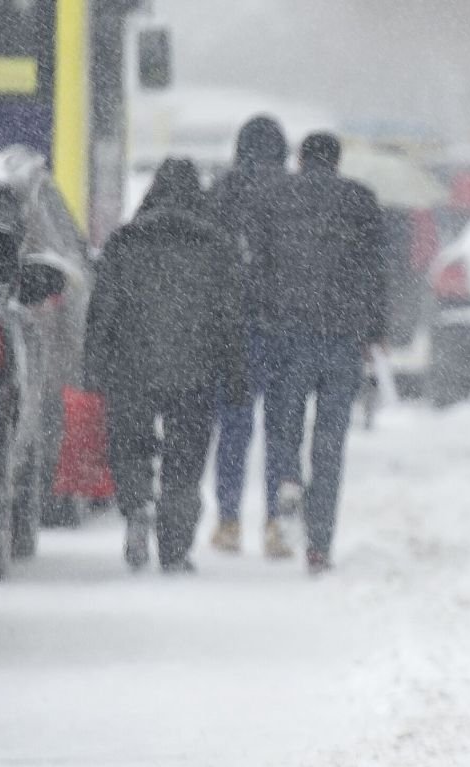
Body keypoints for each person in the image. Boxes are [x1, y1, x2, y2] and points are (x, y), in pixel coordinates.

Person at [84, 158, 247, 573]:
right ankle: (174, 548)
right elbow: (229, 318)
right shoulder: (217, 246)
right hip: (196, 369)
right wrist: (235, 373)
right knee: (185, 460)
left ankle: (138, 505)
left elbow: (102, 310)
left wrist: (95, 367)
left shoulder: (125, 242)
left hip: (132, 365)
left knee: (130, 444)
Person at [255, 132, 387, 573]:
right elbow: (376, 271)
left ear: (299, 158)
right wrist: (375, 330)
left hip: (288, 332)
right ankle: (319, 545)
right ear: (337, 160)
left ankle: (288, 477)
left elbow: (260, 266)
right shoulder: (361, 200)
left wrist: (264, 317)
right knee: (330, 442)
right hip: (344, 337)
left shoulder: (274, 197)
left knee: (285, 424)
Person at [206, 115, 290, 557]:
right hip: (283, 328)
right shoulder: (292, 193)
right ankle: (276, 522)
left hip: (235, 329)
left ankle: (228, 520)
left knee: (235, 426)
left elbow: (210, 260)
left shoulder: (223, 190)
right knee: (280, 429)